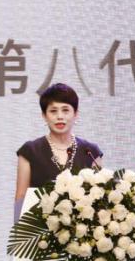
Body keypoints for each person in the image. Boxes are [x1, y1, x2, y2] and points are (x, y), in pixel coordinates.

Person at [14, 83, 104, 220]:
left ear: (76, 114)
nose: (60, 116)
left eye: (65, 110)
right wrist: (19, 230)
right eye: (53, 111)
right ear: (44, 116)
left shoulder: (90, 151)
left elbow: (100, 197)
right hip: (39, 229)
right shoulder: (30, 151)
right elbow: (21, 197)